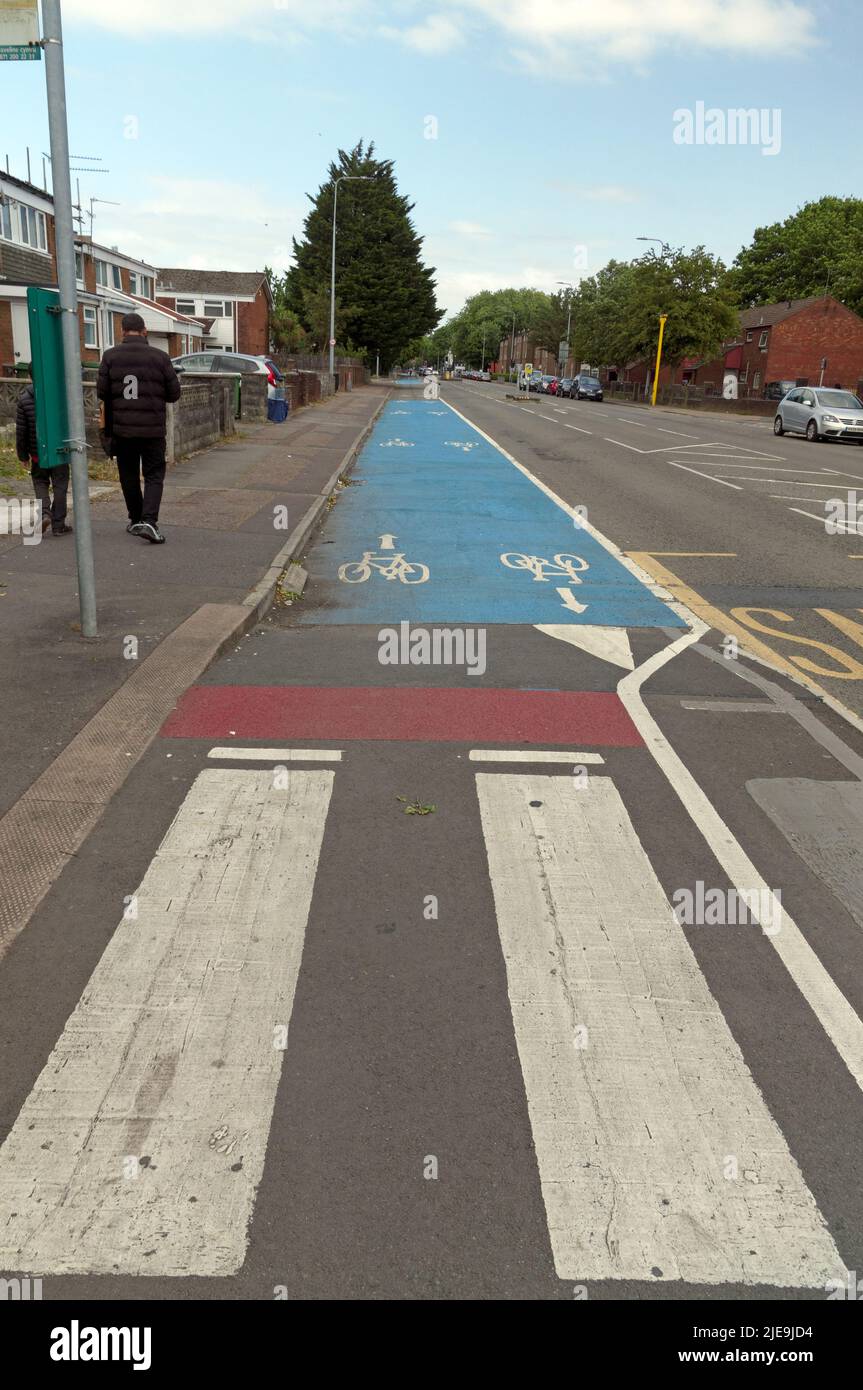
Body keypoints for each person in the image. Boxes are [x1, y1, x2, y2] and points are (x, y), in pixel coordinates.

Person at [97, 311, 181, 544]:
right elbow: (174, 394)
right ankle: (149, 521)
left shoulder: (110, 357)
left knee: (129, 475)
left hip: (122, 430)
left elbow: (102, 393)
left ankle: (135, 519)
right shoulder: (160, 357)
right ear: (144, 331)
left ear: (122, 332)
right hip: (153, 430)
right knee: (154, 475)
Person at [15, 383, 72, 537]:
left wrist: (22, 455)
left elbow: (21, 430)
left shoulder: (24, 399)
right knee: (60, 484)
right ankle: (58, 525)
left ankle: (45, 514)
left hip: (37, 452)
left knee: (40, 482)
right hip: (59, 450)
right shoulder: (59, 397)